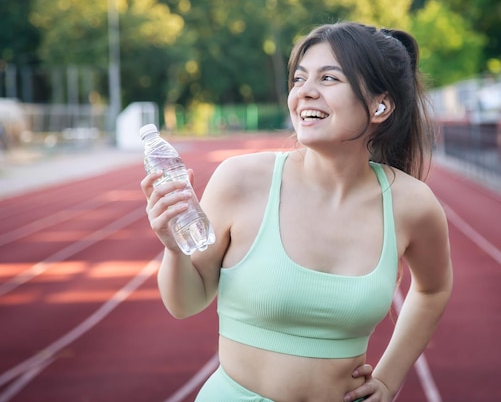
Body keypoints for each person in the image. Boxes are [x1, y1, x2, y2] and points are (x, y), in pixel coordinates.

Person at [141, 21, 453, 402]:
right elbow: (185, 303)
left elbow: (434, 288)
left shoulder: (412, 204)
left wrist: (389, 379)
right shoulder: (240, 179)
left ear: (380, 105)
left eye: (328, 78)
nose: (305, 92)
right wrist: (174, 249)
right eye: (299, 79)